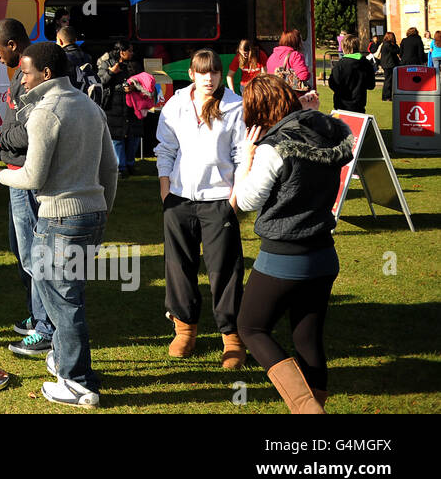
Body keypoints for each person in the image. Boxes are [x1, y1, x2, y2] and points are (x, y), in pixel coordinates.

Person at [0, 42, 117, 406]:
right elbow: (111, 169)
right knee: (70, 297)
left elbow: (33, 176)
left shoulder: (45, 112)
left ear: (45, 74)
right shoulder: (90, 106)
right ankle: (68, 363)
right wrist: (103, 208)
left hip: (60, 217)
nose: (21, 78)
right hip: (91, 215)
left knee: (63, 300)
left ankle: (77, 382)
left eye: (25, 72)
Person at [233, 74, 354, 413]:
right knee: (307, 337)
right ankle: (316, 405)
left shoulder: (274, 147)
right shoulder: (325, 132)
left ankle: (306, 408)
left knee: (251, 327)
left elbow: (245, 200)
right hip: (323, 254)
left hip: (285, 255)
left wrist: (247, 156)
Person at [153, 49, 248, 369]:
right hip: (179, 200)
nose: (209, 78)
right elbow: (165, 148)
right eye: (202, 72)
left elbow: (242, 155)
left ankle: (232, 337)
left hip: (220, 200)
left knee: (225, 269)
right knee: (178, 267)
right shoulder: (177, 103)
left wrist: (233, 200)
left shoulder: (235, 105)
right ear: (192, 73)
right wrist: (166, 188)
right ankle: (185, 328)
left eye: (214, 73)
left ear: (221, 75)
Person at [0, 18, 55, 357]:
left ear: (13, 45)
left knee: (35, 253)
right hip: (16, 173)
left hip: (27, 175)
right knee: (22, 250)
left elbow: (30, 131)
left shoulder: (33, 75)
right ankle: (38, 315)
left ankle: (46, 327)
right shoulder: (20, 74)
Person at [96, 40, 146, 176]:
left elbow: (144, 82)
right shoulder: (106, 62)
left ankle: (130, 163)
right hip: (113, 104)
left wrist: (134, 87)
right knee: (116, 137)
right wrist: (111, 72)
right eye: (129, 50)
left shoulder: (135, 63)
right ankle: (120, 167)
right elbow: (100, 81)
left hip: (133, 104)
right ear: (121, 52)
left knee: (133, 136)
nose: (132, 53)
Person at [327, 35, 376, 113]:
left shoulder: (340, 65)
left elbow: (333, 84)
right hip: (359, 104)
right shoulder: (366, 64)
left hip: (341, 105)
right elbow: (371, 85)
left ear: (343, 47)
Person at [56, 25, 97, 94]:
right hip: (86, 96)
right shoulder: (87, 57)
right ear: (75, 40)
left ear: (60, 41)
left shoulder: (62, 58)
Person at [375, 31, 400, 100]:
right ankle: (386, 96)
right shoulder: (388, 45)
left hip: (386, 64)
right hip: (389, 64)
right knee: (388, 81)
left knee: (388, 80)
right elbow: (397, 51)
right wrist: (395, 44)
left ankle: (387, 96)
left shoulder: (385, 44)